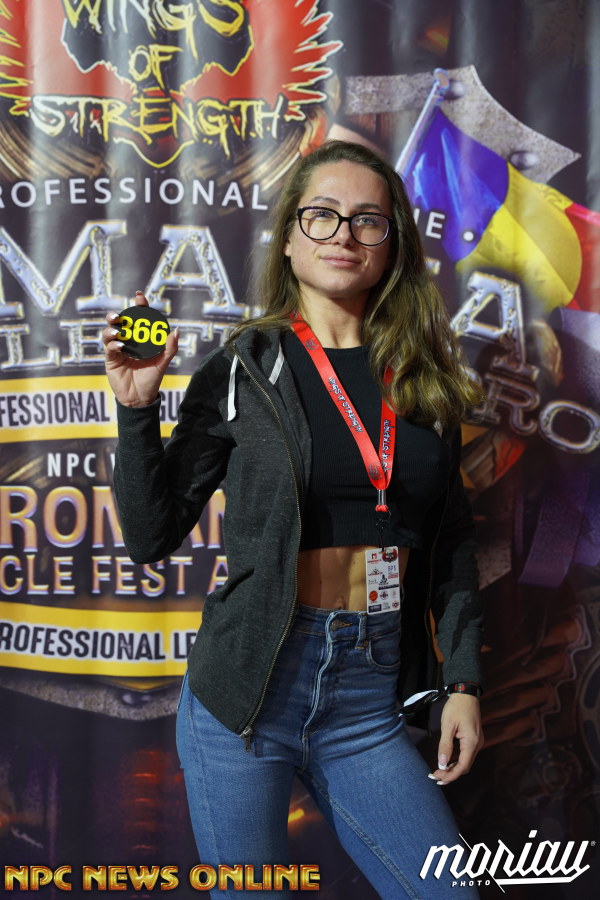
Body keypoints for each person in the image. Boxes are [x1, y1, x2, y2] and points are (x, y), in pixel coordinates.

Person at [103, 140, 484, 899]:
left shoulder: (424, 379)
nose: (344, 234)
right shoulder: (246, 366)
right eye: (323, 214)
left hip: (367, 702)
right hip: (247, 695)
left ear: (391, 244)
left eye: (368, 220)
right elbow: (151, 536)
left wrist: (464, 682)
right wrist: (136, 409)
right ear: (290, 235)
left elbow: (452, 549)